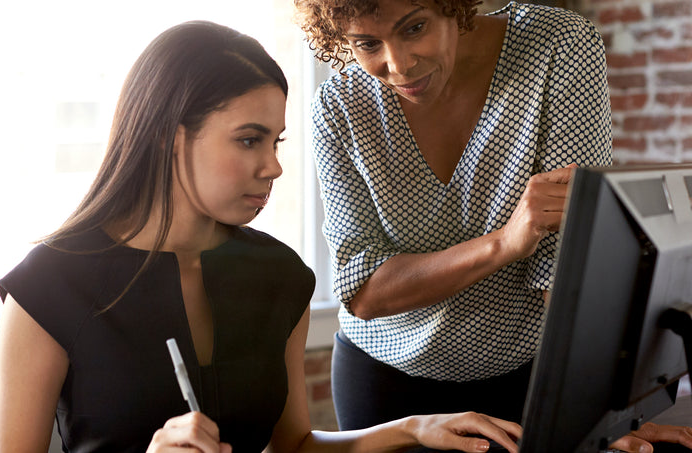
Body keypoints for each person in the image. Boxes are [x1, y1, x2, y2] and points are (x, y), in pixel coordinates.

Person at [0, 20, 524, 453]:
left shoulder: (280, 276)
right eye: (249, 140)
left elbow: (293, 445)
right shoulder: (50, 286)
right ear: (170, 138)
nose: (273, 167)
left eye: (276, 142)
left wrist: (411, 429)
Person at [294, 0, 692, 451]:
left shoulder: (557, 46)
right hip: (384, 384)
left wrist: (607, 406)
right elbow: (363, 290)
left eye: (415, 27)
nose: (399, 65)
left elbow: (564, 261)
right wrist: (504, 243)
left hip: (529, 377)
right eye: (367, 43)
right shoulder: (338, 106)